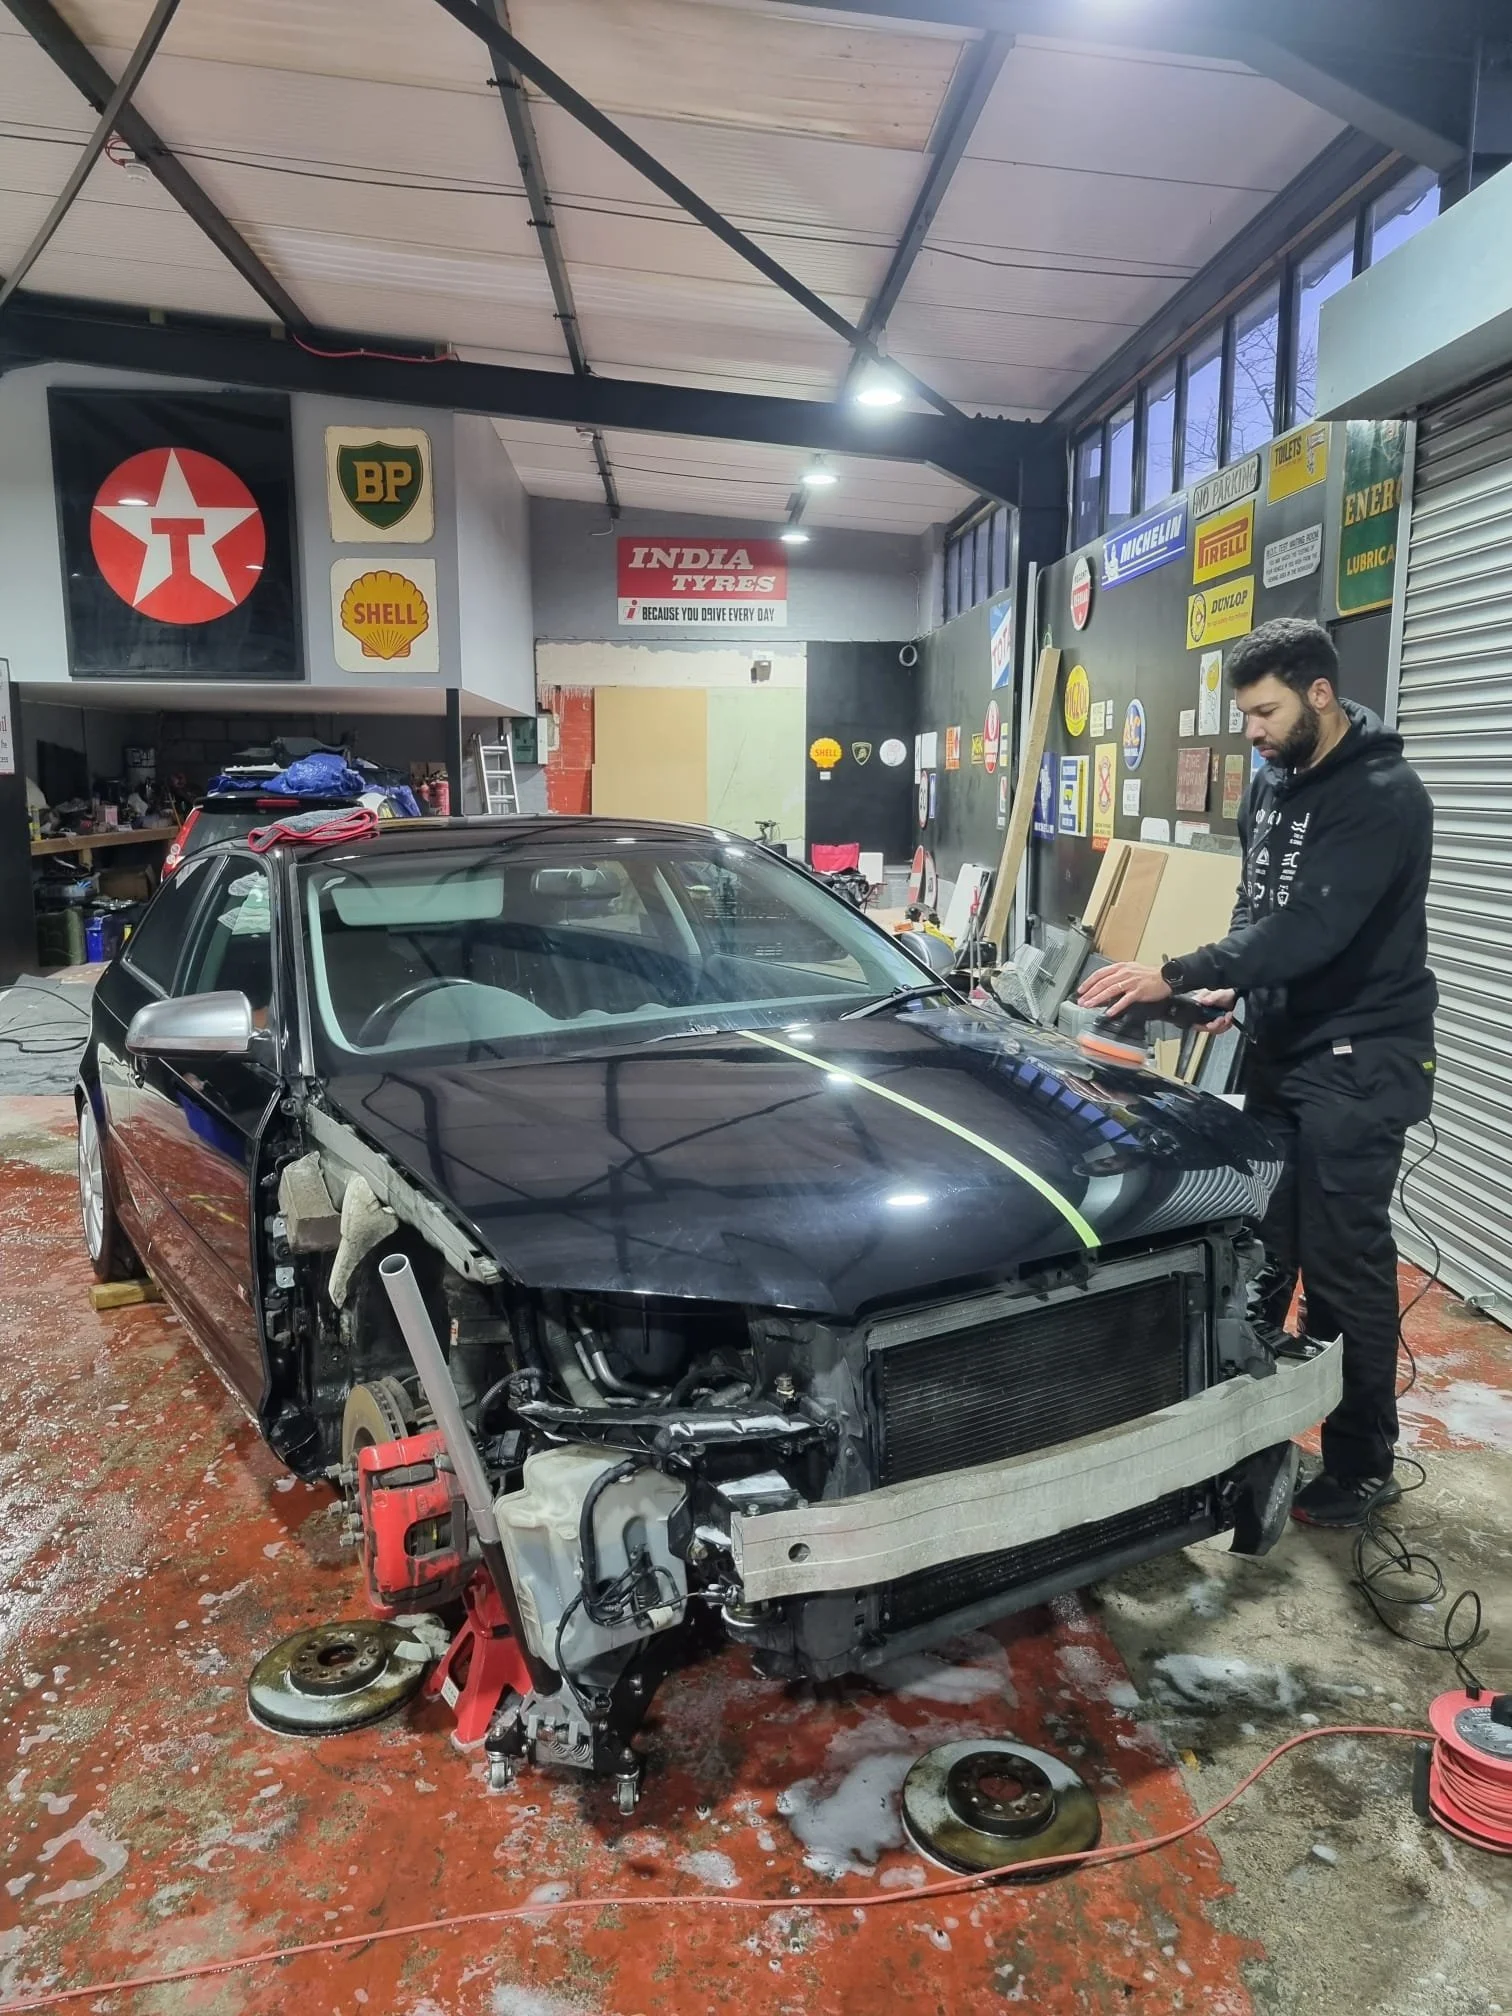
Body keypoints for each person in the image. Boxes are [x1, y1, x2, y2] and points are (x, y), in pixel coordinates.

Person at [1077, 618, 1437, 1528]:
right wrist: (1231, 994)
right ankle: (1246, 1437)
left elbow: (1314, 927)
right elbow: (1260, 902)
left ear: (1320, 693)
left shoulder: (1383, 796)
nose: (1253, 731)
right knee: (1260, 1250)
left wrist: (1186, 970)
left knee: (1345, 1264)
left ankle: (1361, 1460)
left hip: (1360, 1058)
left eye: (1266, 711)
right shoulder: (1276, 782)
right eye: (1245, 714)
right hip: (1285, 1047)